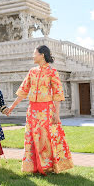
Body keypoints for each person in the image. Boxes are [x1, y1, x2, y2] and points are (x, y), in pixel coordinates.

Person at [7, 45, 73, 175]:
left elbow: (57, 93)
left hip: (46, 110)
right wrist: (12, 107)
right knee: (32, 137)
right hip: (33, 110)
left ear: (42, 55)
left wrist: (57, 114)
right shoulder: (32, 71)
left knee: (46, 138)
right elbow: (23, 91)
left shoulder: (52, 71)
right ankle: (33, 166)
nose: (33, 56)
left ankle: (48, 165)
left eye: (34, 53)